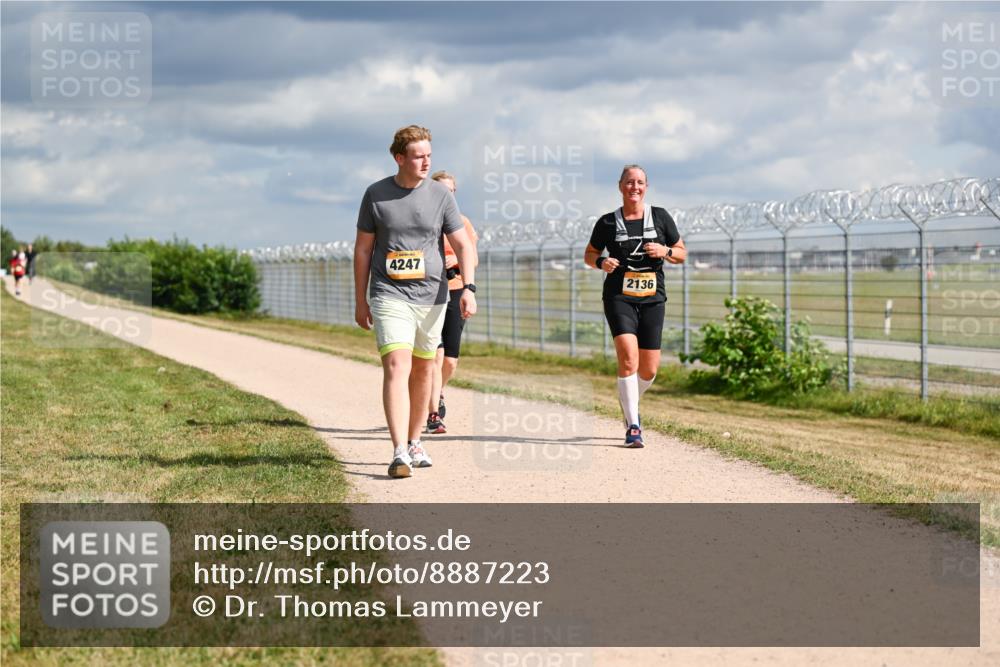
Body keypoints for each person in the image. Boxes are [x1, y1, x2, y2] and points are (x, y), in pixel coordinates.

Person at [354, 125, 477, 478]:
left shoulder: (441, 195)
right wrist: (361, 300)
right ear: (400, 158)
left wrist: (468, 288)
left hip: (433, 296)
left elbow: (464, 244)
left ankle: (414, 440)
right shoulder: (376, 195)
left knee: (425, 368)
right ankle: (397, 452)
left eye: (429, 156)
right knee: (396, 365)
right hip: (388, 293)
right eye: (419, 156)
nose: (426, 162)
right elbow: (363, 249)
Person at [584, 165, 687, 448]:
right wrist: (601, 262)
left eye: (640, 182)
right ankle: (633, 426)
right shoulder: (607, 222)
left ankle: (628, 398)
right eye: (629, 182)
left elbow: (681, 252)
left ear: (646, 186)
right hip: (619, 296)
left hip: (653, 298)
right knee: (628, 357)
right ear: (620, 186)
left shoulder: (661, 217)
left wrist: (665, 251)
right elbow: (589, 254)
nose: (635, 187)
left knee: (649, 369)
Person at [423, 170, 478, 434]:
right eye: (442, 190)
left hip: (456, 289)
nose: (448, 195)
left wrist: (454, 261)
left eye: (451, 191)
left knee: (450, 361)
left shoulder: (462, 223)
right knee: (436, 354)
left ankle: (439, 389)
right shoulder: (423, 219)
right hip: (430, 292)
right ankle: (433, 414)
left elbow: (473, 259)